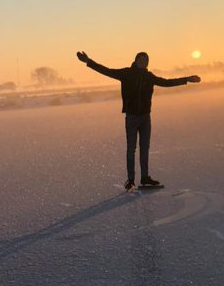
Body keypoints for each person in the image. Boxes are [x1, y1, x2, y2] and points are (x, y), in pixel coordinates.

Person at [76, 51, 201, 190]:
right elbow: (106, 70)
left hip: (145, 118)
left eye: (146, 60)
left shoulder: (149, 76)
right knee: (131, 149)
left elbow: (166, 82)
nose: (144, 62)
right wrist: (88, 61)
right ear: (136, 60)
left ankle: (145, 177)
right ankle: (130, 180)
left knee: (145, 148)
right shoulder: (126, 73)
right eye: (141, 59)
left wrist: (186, 79)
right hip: (132, 118)